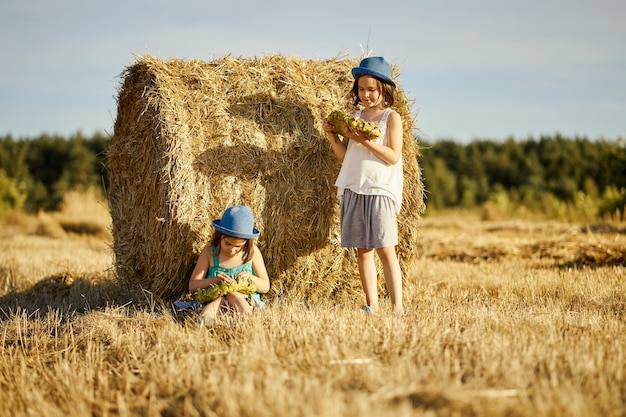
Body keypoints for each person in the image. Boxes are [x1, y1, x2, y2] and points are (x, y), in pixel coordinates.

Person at [322, 56, 404, 314]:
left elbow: (393, 156)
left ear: (384, 90)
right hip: (354, 187)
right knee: (363, 250)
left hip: (379, 189)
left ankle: (398, 306)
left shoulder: (391, 118)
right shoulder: (354, 117)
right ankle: (372, 305)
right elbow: (345, 156)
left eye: (372, 89)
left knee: (385, 248)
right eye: (361, 89)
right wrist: (332, 134)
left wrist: (364, 140)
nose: (366, 95)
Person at [188, 205, 270, 325]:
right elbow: (193, 286)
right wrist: (214, 281)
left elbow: (265, 286)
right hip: (214, 297)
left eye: (238, 246)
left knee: (234, 295)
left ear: (246, 243)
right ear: (219, 236)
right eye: (227, 244)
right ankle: (203, 322)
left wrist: (250, 279)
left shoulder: (252, 253)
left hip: (244, 298)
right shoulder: (210, 252)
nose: (232, 250)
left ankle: (247, 321)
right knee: (217, 302)